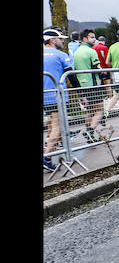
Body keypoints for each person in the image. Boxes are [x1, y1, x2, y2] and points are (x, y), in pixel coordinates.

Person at [43, 27, 79, 171]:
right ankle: (46, 157)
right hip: (56, 96)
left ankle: (52, 154)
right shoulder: (61, 55)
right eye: (60, 39)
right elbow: (71, 75)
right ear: (52, 40)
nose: (62, 41)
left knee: (51, 124)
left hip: (45, 95)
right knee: (58, 126)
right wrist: (81, 92)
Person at [71, 29, 104, 143]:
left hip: (81, 84)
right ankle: (89, 131)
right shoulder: (91, 51)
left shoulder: (76, 52)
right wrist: (104, 71)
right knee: (100, 110)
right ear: (84, 38)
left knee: (90, 110)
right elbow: (97, 68)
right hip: (92, 83)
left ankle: (90, 135)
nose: (94, 39)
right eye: (92, 37)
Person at [93, 35, 112, 100]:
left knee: (99, 84)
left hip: (97, 68)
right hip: (104, 68)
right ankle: (109, 97)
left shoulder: (93, 48)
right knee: (107, 84)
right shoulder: (104, 48)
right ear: (104, 41)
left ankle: (100, 97)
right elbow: (106, 59)